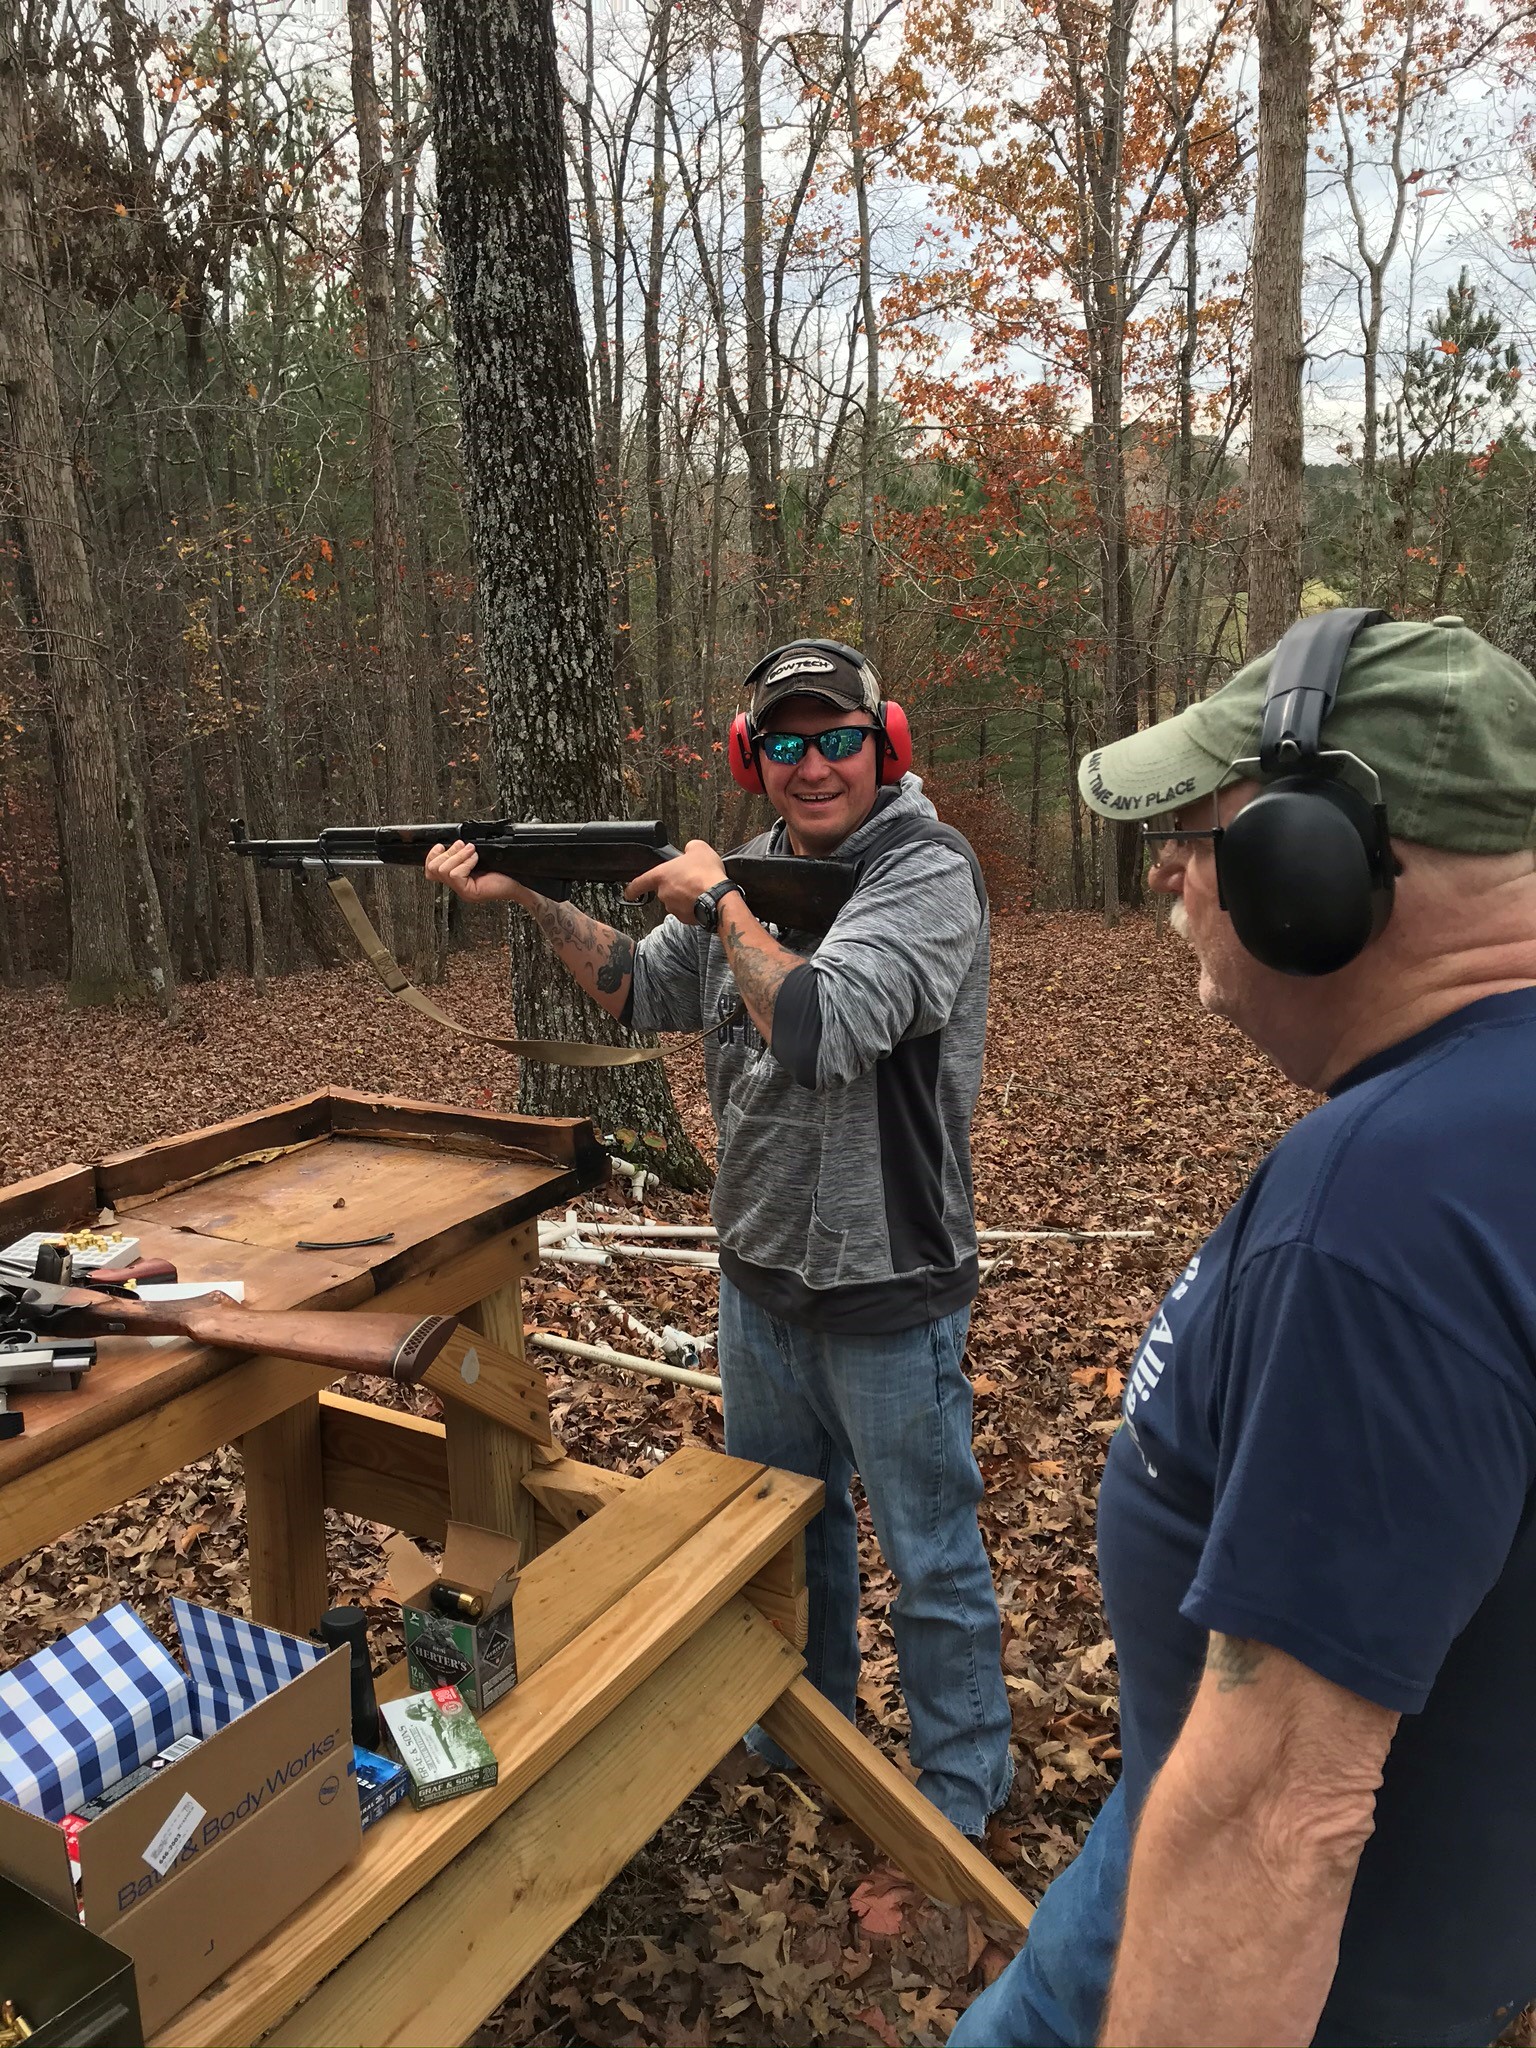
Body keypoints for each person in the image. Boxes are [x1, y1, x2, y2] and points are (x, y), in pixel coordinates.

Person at [952, 609, 1536, 2048]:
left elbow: (1282, 1819)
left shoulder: (1381, 1214)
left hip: (1280, 1974)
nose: (1167, 870)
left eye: (1202, 832)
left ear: (1319, 864)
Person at [426, 639, 1014, 1840]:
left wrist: (719, 901)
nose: (813, 764)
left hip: (887, 1277)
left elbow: (823, 1027)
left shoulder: (925, 871)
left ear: (885, 743)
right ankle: (800, 1737)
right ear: (754, 756)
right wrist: (530, 895)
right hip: (757, 1275)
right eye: (786, 742)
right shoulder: (743, 870)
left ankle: (959, 1796)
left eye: (837, 738)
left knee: (932, 1560)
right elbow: (638, 990)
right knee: (789, 1539)